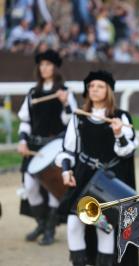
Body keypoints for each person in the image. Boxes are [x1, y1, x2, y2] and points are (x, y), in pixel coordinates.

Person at [55, 70, 139, 266]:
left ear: (108, 91)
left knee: (104, 225)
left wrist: (118, 133)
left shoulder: (121, 116)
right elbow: (68, 150)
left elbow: (127, 152)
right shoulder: (79, 117)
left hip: (106, 180)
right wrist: (66, 170)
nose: (94, 89)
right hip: (83, 176)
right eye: (91, 86)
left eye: (100, 86)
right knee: (74, 223)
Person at [17, 49, 77, 245]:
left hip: (55, 148)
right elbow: (25, 120)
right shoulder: (33, 93)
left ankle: (50, 229)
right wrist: (22, 140)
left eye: (48, 64)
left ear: (55, 67)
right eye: (41, 65)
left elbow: (71, 120)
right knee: (30, 186)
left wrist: (65, 102)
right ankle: (41, 223)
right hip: (34, 148)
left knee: (53, 189)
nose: (44, 68)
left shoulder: (64, 91)